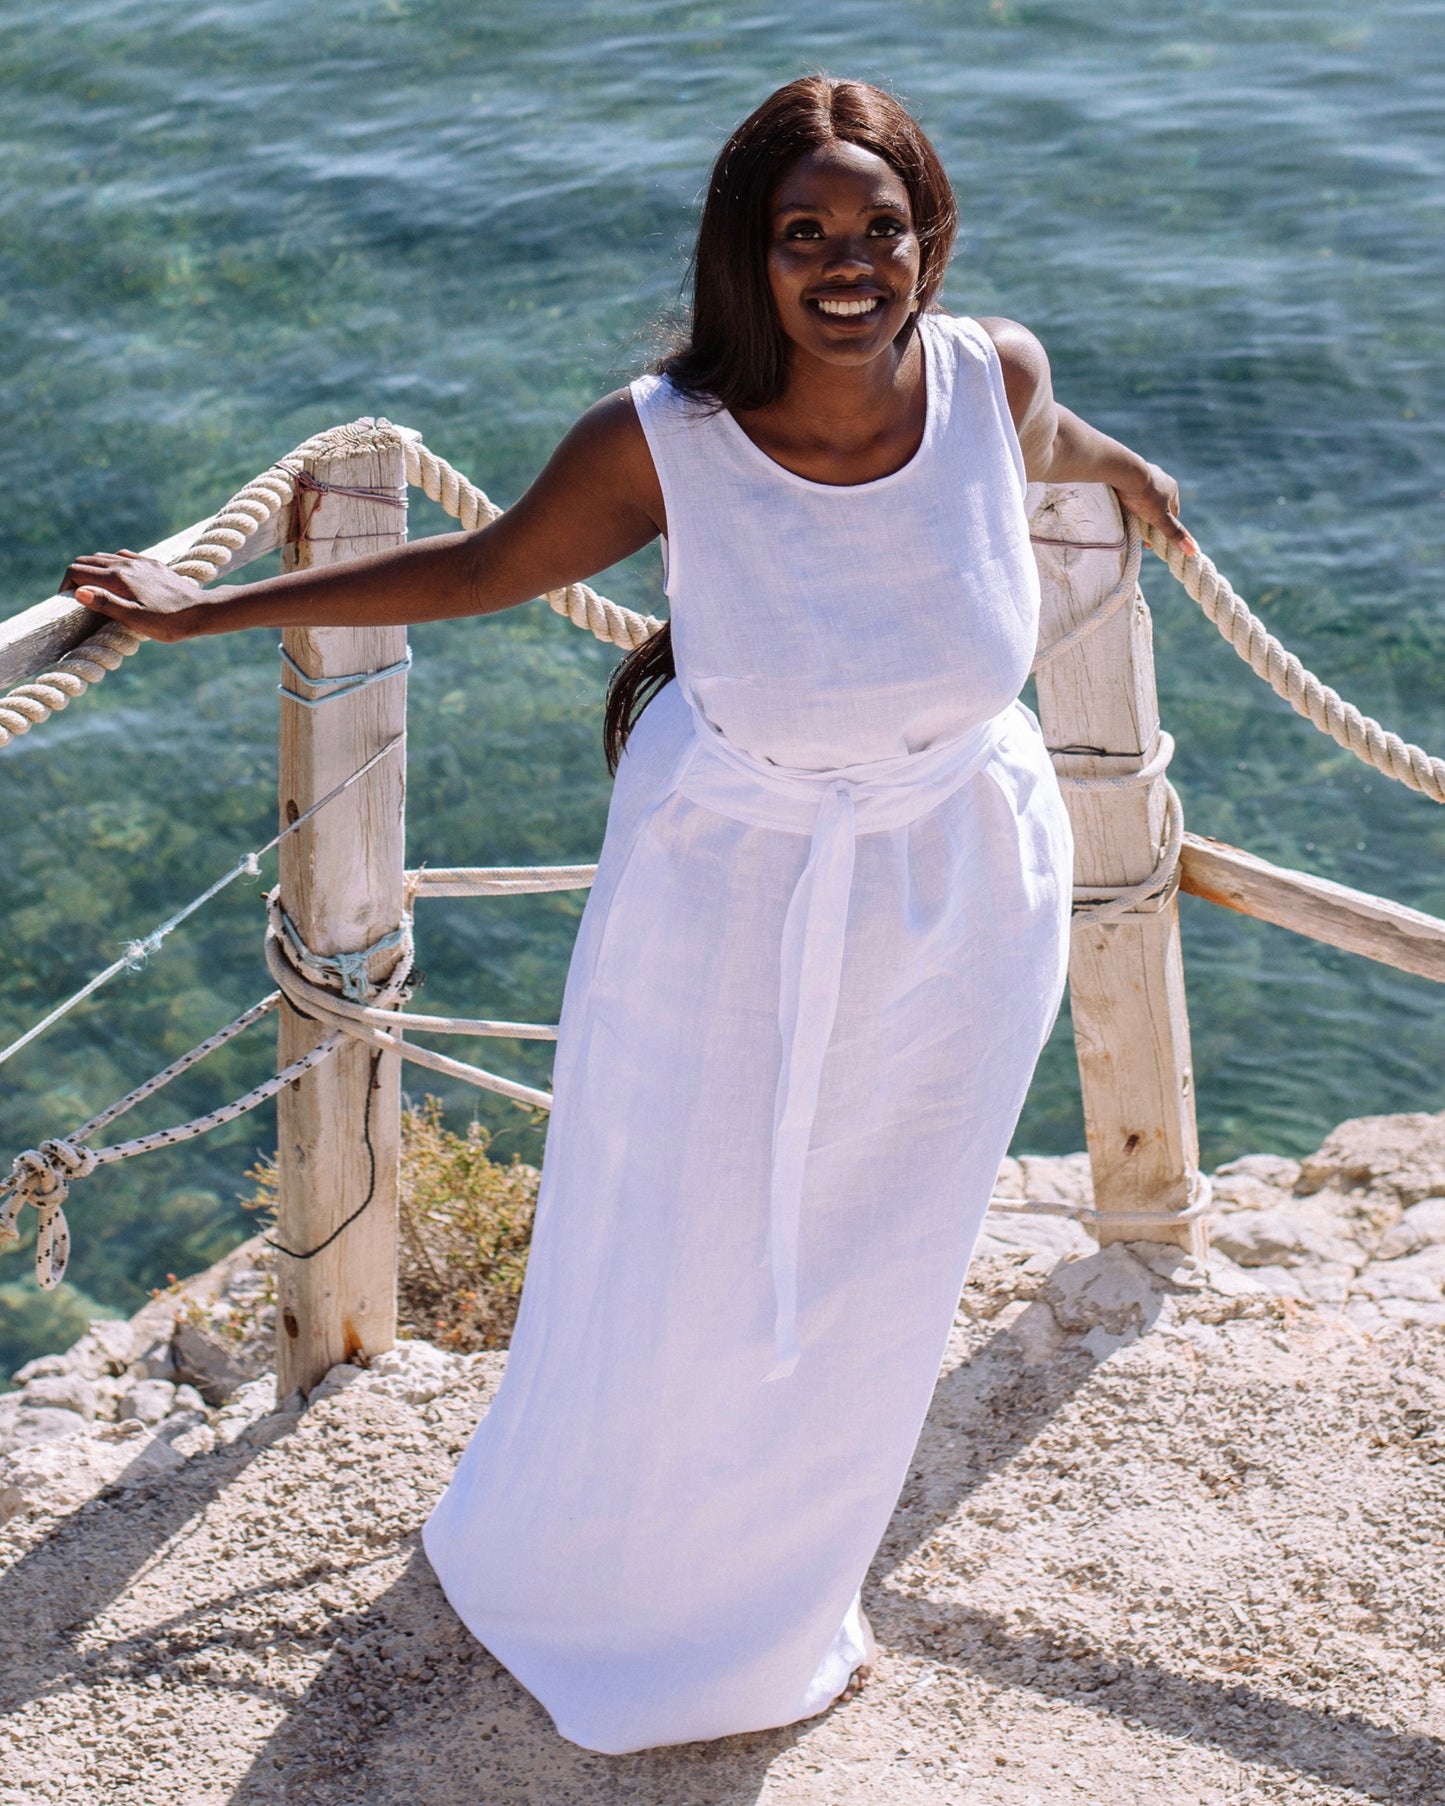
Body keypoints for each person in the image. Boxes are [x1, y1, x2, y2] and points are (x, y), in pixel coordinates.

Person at [66, 76, 1194, 1755]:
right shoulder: (661, 438)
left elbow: (1043, 439)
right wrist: (201, 611)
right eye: (802, 232)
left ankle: (780, 1596)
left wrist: (1127, 469)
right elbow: (474, 571)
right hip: (723, 899)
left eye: (878, 228)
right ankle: (608, 1581)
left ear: (927, 236)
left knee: (875, 1263)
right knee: (674, 1247)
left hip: (965, 895)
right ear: (747, 251)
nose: (846, 263)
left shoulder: (991, 374)